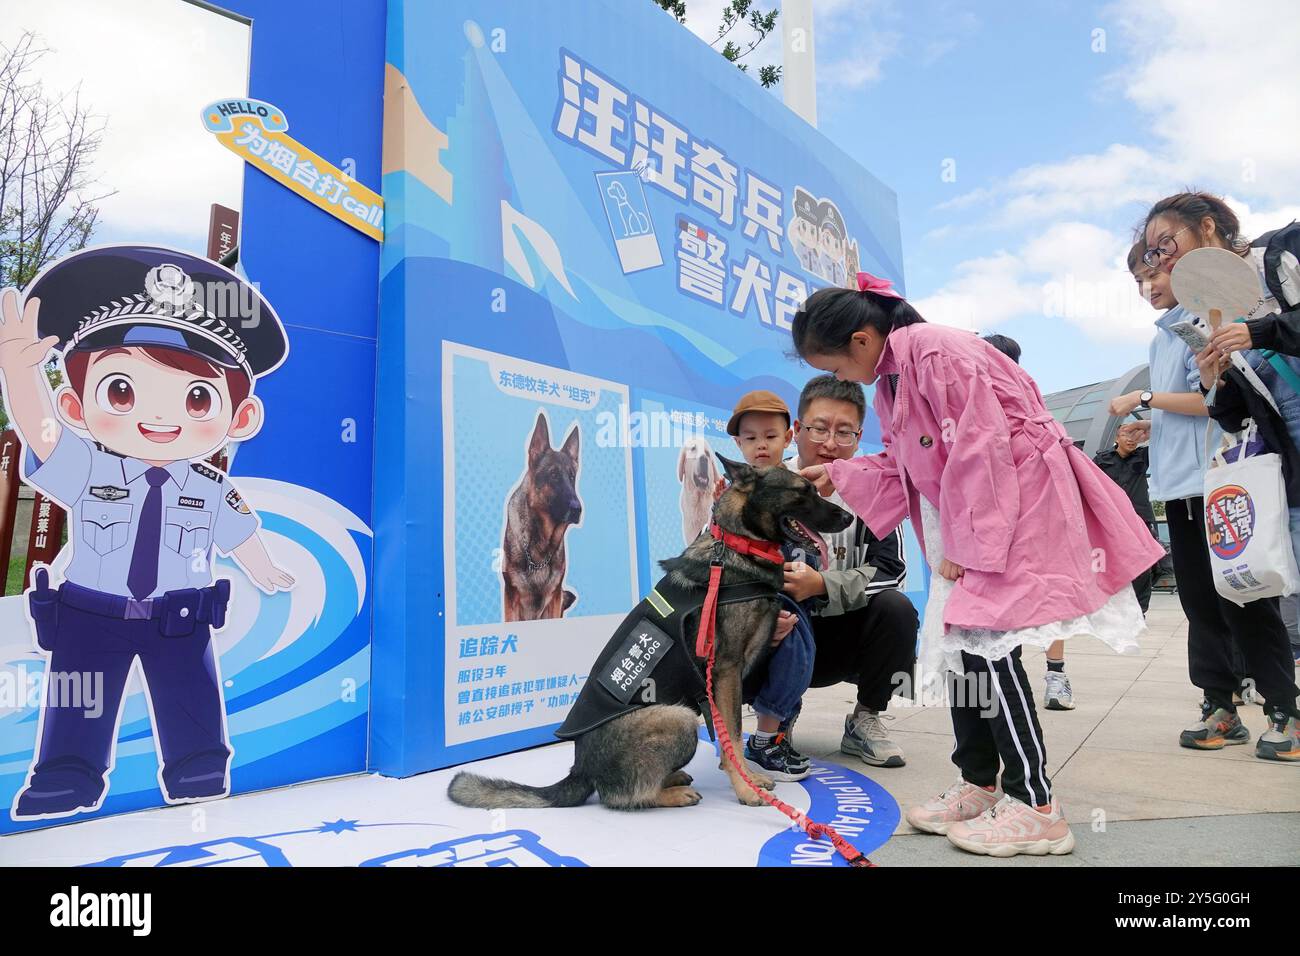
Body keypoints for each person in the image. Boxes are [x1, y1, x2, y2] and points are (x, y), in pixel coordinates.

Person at [793, 271, 1164, 858]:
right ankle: (980, 782)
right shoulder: (898, 374)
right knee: (963, 644)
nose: (841, 379)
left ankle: (1037, 805)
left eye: (836, 366)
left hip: (1007, 508)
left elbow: (981, 449)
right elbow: (902, 464)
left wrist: (969, 546)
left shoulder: (937, 351)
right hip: (968, 515)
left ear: (862, 341)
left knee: (989, 645)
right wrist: (838, 474)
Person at [0, 246, 296, 819]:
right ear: (74, 404)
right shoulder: (87, 466)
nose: (159, 419)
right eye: (121, 391)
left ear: (240, 419)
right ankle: (67, 774)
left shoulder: (209, 485)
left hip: (180, 619)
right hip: (89, 614)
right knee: (78, 699)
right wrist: (19, 373)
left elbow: (236, 530)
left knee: (191, 698)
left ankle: (197, 766)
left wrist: (262, 566)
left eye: (196, 398)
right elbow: (39, 434)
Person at [1133, 194, 1299, 761]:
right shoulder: (1170, 333)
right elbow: (1221, 401)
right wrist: (1206, 386)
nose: (1157, 271)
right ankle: (1220, 705)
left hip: (1225, 480)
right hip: (1179, 488)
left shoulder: (1272, 264)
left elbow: (1222, 413)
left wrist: (1152, 397)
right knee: (1201, 602)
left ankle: (1285, 708)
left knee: (1247, 595)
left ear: (1206, 230)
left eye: (1163, 251)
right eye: (1148, 266)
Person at [768, 374, 917, 769]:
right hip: (780, 631)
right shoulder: (767, 485)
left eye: (844, 432)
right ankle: (776, 716)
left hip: (840, 640)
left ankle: (865, 718)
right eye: (819, 428)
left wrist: (822, 585)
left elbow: (892, 569)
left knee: (897, 608)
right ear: (797, 430)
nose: (831, 443)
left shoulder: (873, 492)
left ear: (859, 436)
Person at [981, 332, 1078, 711]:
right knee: (1041, 598)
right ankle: (1052, 677)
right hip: (1029, 520)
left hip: (1024, 519)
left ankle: (1048, 675)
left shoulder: (1017, 403)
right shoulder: (1030, 403)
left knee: (1038, 598)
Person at [726, 390, 818, 781]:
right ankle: (754, 739)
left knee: (792, 627)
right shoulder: (729, 495)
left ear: (790, 436)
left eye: (770, 435)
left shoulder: (801, 490)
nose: (761, 445)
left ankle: (768, 739)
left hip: (788, 603)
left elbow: (810, 556)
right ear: (738, 444)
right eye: (750, 438)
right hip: (737, 613)